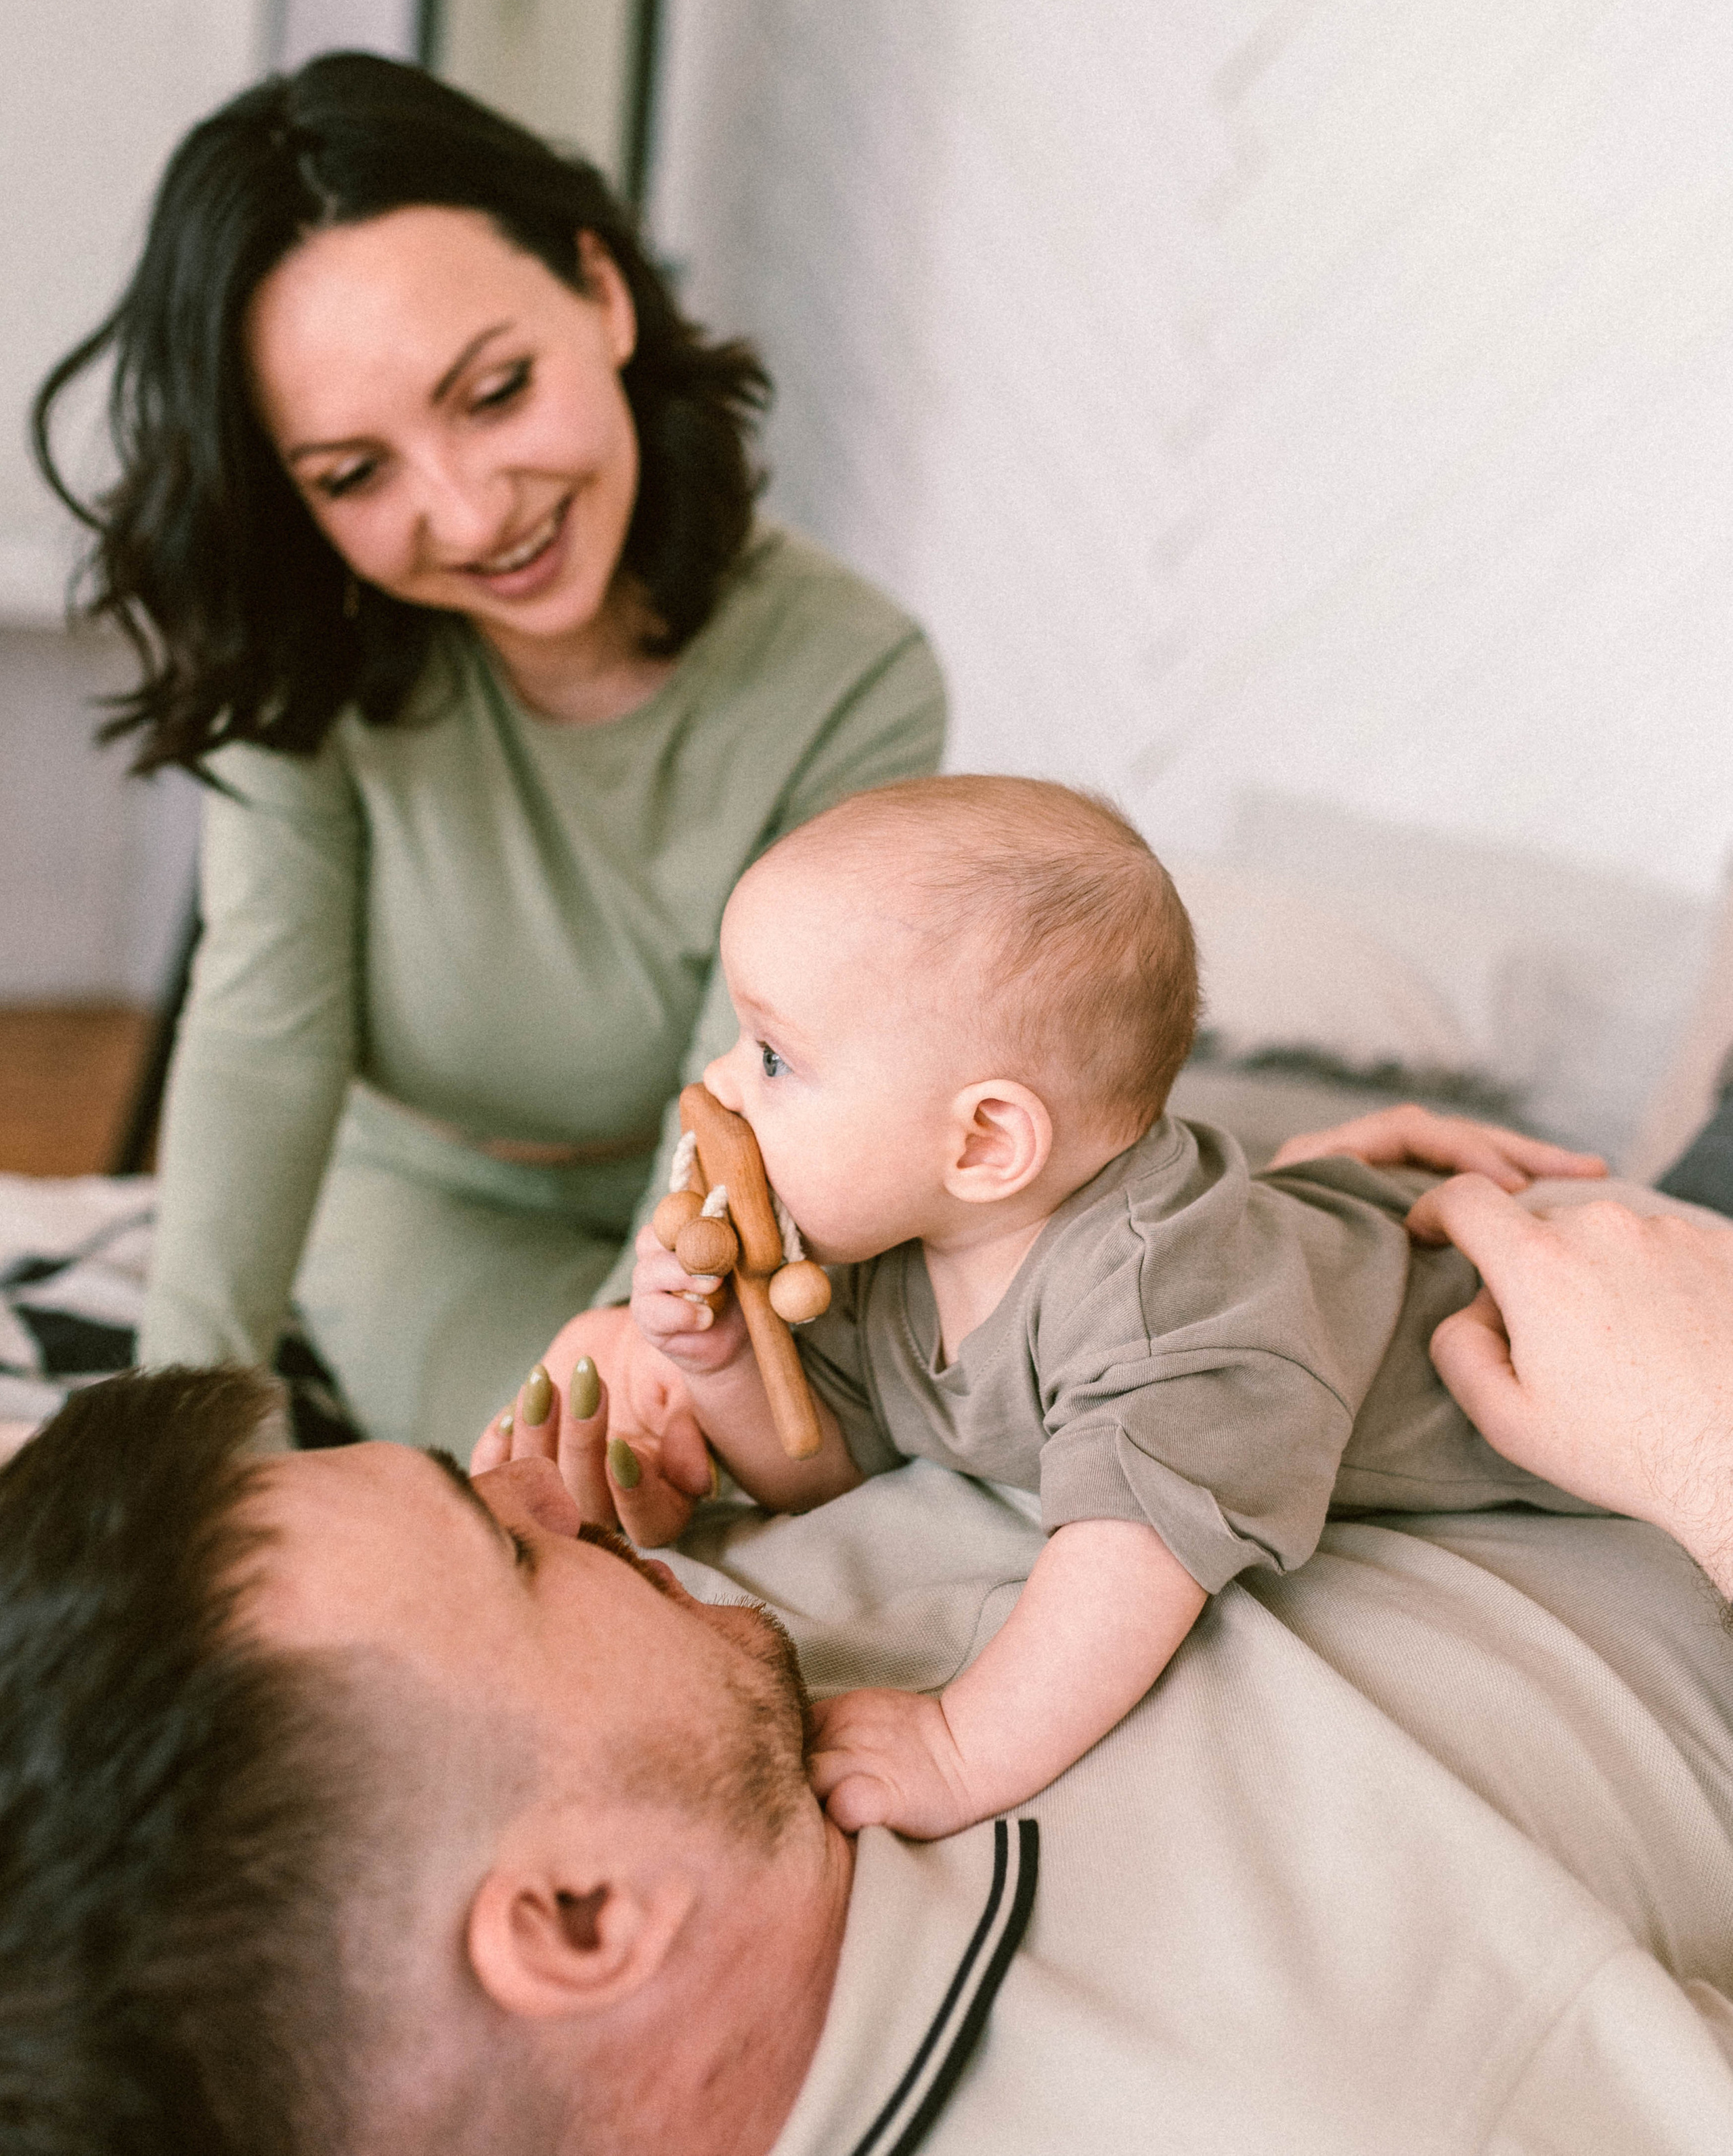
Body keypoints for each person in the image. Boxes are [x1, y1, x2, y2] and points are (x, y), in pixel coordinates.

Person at [7, 1102, 1733, 2156]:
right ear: (583, 1916)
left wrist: (1235, 1277)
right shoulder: (1350, 2110)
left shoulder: (680, 1757)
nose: (534, 1493)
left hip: (1434, 1300)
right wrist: (1705, 1448)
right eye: (508, 1558)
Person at [30, 53, 944, 1453]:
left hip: (772, 1196)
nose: (466, 514)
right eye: (353, 475)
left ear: (601, 290)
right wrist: (173, 1443)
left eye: (495, 391)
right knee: (559, 1472)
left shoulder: (851, 673)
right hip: (426, 1205)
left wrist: (646, 1340)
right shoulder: (305, 658)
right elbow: (261, 1038)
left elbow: (746, 1108)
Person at [626, 774, 1608, 1836]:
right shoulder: (894, 1247)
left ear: (985, 1144)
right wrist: (722, 1359)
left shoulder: (1162, 1300)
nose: (719, 1087)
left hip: (1542, 1324)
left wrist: (962, 1746)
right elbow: (826, 1465)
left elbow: (1130, 1564)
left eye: (773, 1058)